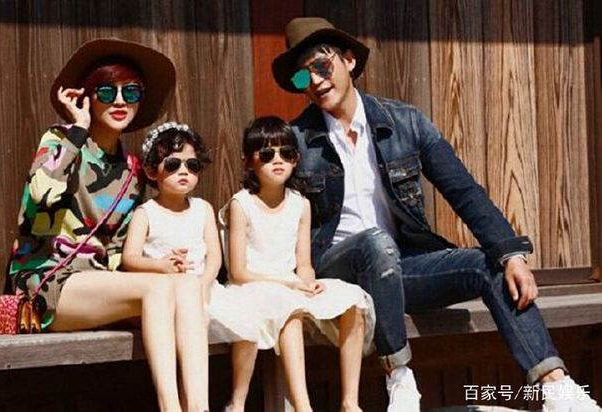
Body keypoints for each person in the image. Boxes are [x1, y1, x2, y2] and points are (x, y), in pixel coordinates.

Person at [271, 17, 601, 412]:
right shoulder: (294, 140)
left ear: (349, 61)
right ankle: (399, 377)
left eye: (321, 67)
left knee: (491, 265)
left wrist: (511, 254)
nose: (315, 82)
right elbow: (270, 211)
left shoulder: (406, 122)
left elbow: (463, 190)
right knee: (375, 244)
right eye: (303, 77)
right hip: (337, 276)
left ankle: (558, 390)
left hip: (398, 271)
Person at [6, 38, 208, 412]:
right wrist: (78, 129)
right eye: (106, 91)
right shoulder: (60, 140)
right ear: (88, 97)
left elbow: (117, 251)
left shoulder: (132, 171)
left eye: (130, 92)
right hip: (48, 282)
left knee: (186, 285)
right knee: (159, 288)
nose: (119, 101)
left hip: (99, 287)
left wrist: (162, 264)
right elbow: (40, 196)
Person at [220, 116, 375, 412]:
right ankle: (301, 406)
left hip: (288, 284)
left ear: (296, 159)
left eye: (287, 153)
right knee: (289, 311)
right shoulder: (242, 204)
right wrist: (288, 284)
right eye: (267, 154)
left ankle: (349, 402)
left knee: (354, 302)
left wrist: (307, 280)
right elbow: (238, 272)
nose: (278, 160)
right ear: (248, 161)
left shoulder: (300, 204)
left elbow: (303, 262)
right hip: (250, 287)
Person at [122, 121, 260, 344]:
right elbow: (130, 258)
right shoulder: (146, 213)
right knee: (191, 323)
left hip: (205, 287)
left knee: (250, 326)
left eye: (192, 165)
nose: (183, 171)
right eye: (173, 164)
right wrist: (159, 265)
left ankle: (240, 370)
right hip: (166, 292)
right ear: (151, 171)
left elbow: (214, 257)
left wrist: (204, 284)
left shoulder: (203, 208)